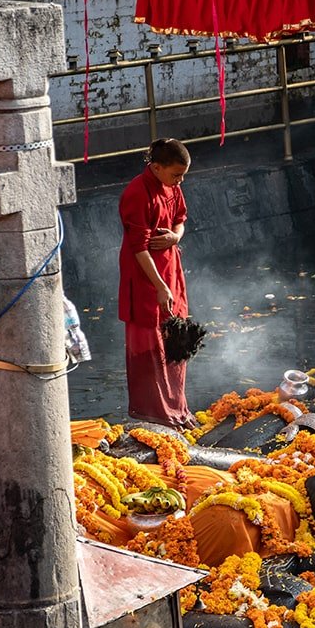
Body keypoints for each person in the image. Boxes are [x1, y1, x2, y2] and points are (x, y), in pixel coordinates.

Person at [118, 138, 194, 429]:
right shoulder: (137, 193)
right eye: (176, 174)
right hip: (145, 277)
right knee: (151, 345)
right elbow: (138, 248)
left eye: (182, 175)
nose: (180, 180)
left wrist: (175, 237)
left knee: (176, 339)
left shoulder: (172, 185)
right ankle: (157, 414)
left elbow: (180, 220)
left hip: (171, 270)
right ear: (156, 167)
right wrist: (160, 287)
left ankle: (179, 408)